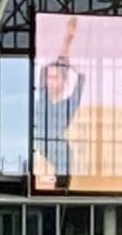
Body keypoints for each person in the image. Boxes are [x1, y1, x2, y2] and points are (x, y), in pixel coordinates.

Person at [32, 16, 84, 188]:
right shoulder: (42, 100)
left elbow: (78, 87)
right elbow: (61, 63)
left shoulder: (66, 106)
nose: (50, 82)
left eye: (55, 78)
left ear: (63, 81)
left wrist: (68, 41)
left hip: (55, 147)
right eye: (48, 77)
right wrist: (67, 40)